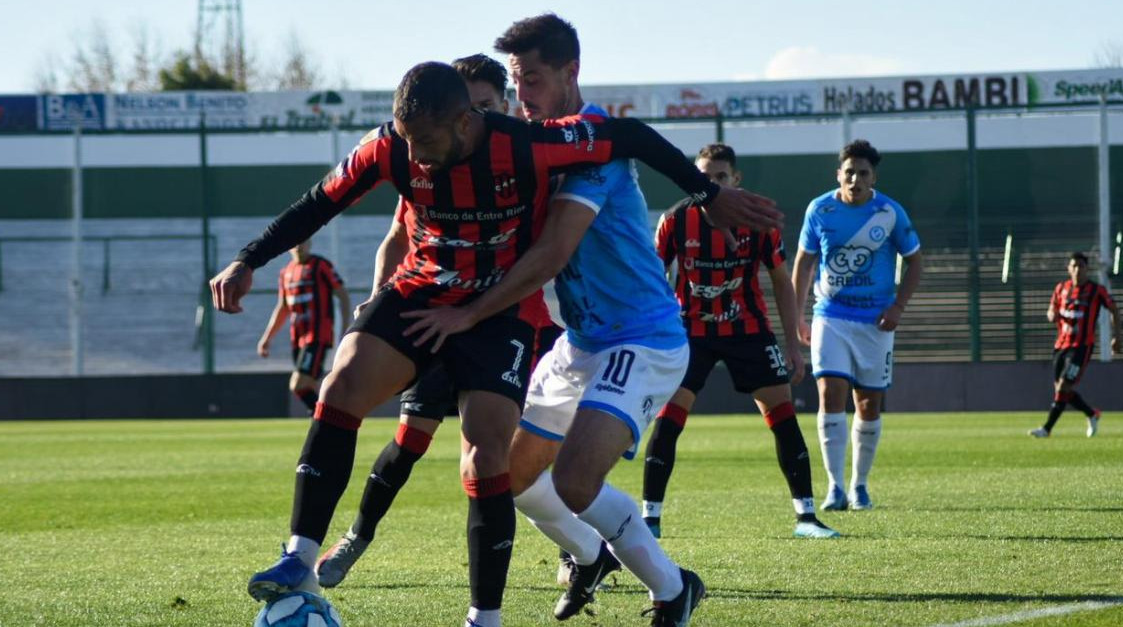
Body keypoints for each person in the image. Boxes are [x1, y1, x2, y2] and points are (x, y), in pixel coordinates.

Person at [209, 60, 779, 627]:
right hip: (424, 290)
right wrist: (247, 260)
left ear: (464, 122)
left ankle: (486, 617)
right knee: (341, 384)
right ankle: (300, 558)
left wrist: (706, 193)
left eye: (427, 141)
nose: (417, 155)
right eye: (408, 140)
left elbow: (626, 136)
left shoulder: (529, 144)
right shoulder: (390, 147)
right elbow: (319, 202)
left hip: (499, 311)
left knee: (487, 455)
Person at [400, 15, 777, 626]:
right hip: (581, 343)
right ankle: (586, 554)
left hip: (644, 339)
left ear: (571, 72)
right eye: (517, 83)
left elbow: (553, 252)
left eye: (535, 80)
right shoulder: (532, 141)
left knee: (575, 479)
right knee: (506, 476)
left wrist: (469, 314)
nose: (524, 97)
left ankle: (672, 588)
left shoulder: (591, 146)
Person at [314, 53, 561, 589]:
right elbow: (399, 238)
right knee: (409, 439)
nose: (474, 117)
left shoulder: (528, 157)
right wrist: (379, 301)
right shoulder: (431, 162)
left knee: (514, 454)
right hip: (435, 318)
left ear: (503, 107)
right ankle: (356, 535)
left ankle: (575, 548)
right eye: (467, 106)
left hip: (517, 324)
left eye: (485, 106)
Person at [640, 143, 838, 541]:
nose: (711, 184)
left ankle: (807, 518)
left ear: (736, 179)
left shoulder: (758, 220)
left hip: (747, 330)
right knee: (668, 423)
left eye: (720, 177)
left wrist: (792, 343)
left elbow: (781, 279)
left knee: (782, 418)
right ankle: (651, 521)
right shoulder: (675, 220)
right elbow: (649, 276)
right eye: (704, 176)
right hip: (690, 333)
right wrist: (653, 335)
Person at [791, 139, 922, 512]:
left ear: (873, 177)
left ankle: (859, 486)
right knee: (830, 393)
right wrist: (799, 315)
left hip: (876, 323)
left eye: (862, 173)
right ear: (839, 174)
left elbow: (916, 262)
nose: (855, 179)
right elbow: (803, 264)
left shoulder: (889, 212)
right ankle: (833, 487)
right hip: (830, 316)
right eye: (849, 172)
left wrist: (898, 306)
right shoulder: (820, 209)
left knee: (868, 403)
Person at [1028, 252, 1121, 438]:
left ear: (1087, 269)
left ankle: (1046, 429)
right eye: (1074, 266)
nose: (1078, 270)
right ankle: (1092, 414)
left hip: (1081, 347)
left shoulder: (1096, 290)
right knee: (1062, 391)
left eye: (1081, 266)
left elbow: (1114, 310)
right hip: (1061, 345)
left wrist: (1117, 336)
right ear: (1069, 269)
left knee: (1063, 387)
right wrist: (1051, 315)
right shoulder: (1061, 288)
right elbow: (1051, 310)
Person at [257, 238, 350, 414]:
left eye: (303, 242)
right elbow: (283, 307)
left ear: (310, 244)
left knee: (298, 384)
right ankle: (325, 419)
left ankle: (324, 418)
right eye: (295, 243)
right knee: (310, 385)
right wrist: (266, 338)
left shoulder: (320, 265)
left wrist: (345, 328)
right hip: (297, 338)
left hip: (317, 336)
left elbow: (342, 295)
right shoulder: (286, 272)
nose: (299, 246)